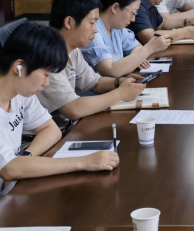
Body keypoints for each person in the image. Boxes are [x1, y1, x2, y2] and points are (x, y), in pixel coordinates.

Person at [0, 22, 119, 186]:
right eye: (46, 74)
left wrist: (25, 158)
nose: (47, 83)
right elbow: (8, 169)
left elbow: (51, 130)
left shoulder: (21, 92)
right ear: (19, 67)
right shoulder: (21, 89)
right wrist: (83, 162)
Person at [35, 0, 146, 129]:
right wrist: (121, 93)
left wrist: (120, 82)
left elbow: (95, 83)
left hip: (66, 128)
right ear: (69, 22)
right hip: (52, 133)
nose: (96, 30)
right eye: (92, 23)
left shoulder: (72, 50)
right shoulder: (47, 56)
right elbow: (74, 109)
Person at [81, 0, 171, 77]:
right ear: (115, 8)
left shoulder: (116, 27)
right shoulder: (93, 31)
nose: (133, 19)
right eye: (132, 13)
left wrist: (136, 58)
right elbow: (110, 70)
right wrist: (149, 48)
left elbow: (136, 46)